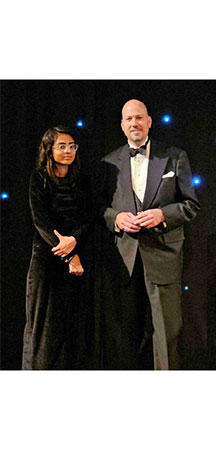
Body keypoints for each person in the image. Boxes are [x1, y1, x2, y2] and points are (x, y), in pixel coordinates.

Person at [99, 99, 200, 370]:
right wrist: (117, 218)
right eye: (129, 119)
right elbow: (100, 208)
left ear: (149, 121)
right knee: (125, 337)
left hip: (164, 254)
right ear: (122, 125)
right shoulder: (109, 162)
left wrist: (163, 215)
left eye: (139, 118)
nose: (135, 123)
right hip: (124, 260)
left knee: (168, 335)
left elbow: (191, 205)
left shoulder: (174, 157)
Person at [22, 126, 91, 369]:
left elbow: (87, 217)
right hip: (48, 258)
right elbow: (41, 221)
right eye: (61, 146)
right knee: (43, 325)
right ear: (49, 150)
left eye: (72, 146)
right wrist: (70, 255)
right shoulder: (39, 177)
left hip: (77, 258)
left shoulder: (82, 179)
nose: (68, 151)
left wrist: (74, 242)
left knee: (71, 325)